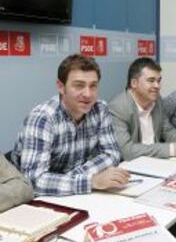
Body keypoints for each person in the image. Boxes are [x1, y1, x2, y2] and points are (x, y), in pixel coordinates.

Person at [11, 54, 128, 196]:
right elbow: (34, 181)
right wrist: (91, 181)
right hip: (35, 199)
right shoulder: (42, 118)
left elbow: (113, 154)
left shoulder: (100, 109)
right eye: (79, 85)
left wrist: (79, 177)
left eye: (93, 86)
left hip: (72, 193)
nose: (88, 94)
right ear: (61, 86)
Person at [109, 58, 176, 160]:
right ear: (134, 83)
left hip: (155, 163)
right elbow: (127, 151)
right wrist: (171, 149)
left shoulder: (156, 99)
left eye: (158, 81)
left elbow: (167, 130)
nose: (157, 86)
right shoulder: (118, 107)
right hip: (131, 168)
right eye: (151, 81)